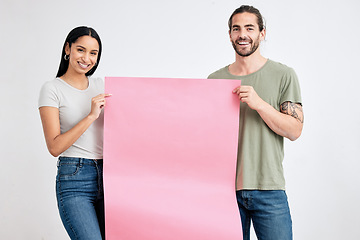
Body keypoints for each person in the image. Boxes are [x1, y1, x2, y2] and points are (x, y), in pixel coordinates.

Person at [208, 5, 303, 240]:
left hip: (269, 189)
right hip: (225, 191)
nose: (242, 34)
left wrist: (259, 103)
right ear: (229, 34)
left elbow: (295, 130)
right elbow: (206, 136)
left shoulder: (284, 74)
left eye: (249, 28)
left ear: (262, 33)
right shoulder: (214, 80)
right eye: (236, 28)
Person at [38, 26, 111, 240]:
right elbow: (54, 146)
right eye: (81, 50)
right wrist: (90, 116)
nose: (86, 58)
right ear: (67, 49)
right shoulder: (52, 89)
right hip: (75, 179)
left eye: (93, 53)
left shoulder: (103, 86)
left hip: (109, 175)